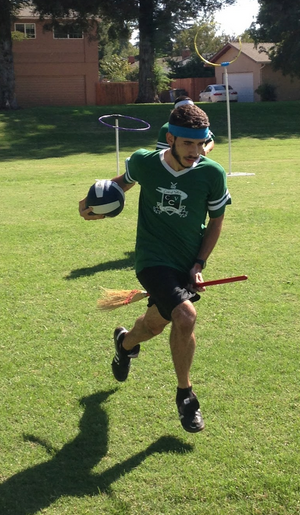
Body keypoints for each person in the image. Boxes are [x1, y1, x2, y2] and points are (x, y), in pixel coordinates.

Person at [79, 103, 230, 433]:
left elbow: (216, 221)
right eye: (188, 144)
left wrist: (198, 264)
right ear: (172, 139)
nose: (196, 151)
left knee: (154, 325)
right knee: (185, 316)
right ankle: (186, 396)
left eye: (201, 143)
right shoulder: (144, 162)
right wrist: (91, 204)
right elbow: (117, 185)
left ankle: (126, 344)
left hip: (185, 262)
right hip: (151, 259)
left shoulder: (212, 173)